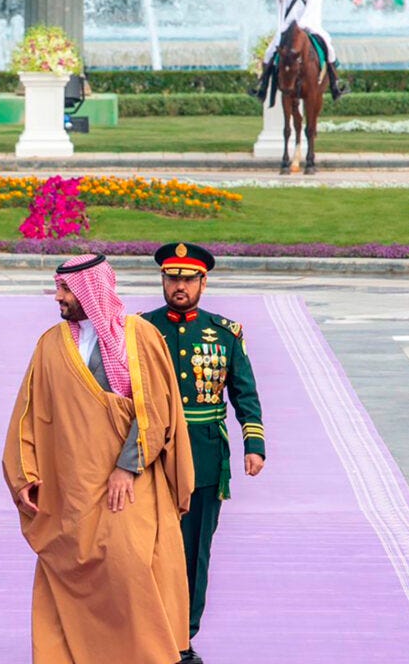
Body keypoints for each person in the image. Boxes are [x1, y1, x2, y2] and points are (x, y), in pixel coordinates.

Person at [2, 254, 194, 664]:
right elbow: (28, 414)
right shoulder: (51, 343)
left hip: (132, 482)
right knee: (65, 574)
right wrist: (26, 475)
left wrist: (127, 466)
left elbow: (156, 412)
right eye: (58, 288)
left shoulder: (138, 336)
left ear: (92, 289)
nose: (59, 297)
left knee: (131, 568)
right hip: (70, 491)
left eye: (66, 289)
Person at [141, 243, 266, 664]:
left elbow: (243, 392)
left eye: (187, 279)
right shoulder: (140, 328)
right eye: (172, 278)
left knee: (194, 552)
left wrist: (254, 444)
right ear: (162, 280)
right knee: (147, 548)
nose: (179, 286)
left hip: (204, 458)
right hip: (151, 459)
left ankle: (182, 637)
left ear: (203, 282)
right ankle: (146, 631)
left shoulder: (226, 333)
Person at [251, 0, 346, 102]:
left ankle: (335, 84)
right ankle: (262, 87)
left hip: (309, 25)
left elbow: (313, 4)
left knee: (329, 48)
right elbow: (283, 6)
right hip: (288, 26)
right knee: (269, 52)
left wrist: (302, 24)